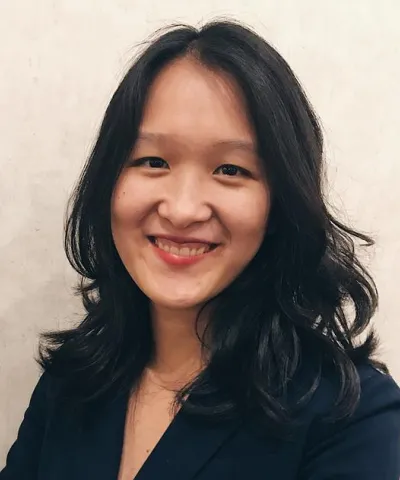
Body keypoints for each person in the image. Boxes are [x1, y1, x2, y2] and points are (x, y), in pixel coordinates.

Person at [1, 19, 399, 480]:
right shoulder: (73, 380)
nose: (182, 209)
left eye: (230, 169)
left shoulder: (353, 417)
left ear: (280, 203)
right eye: (153, 161)